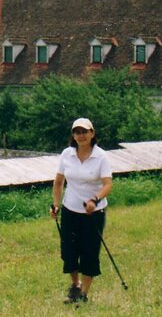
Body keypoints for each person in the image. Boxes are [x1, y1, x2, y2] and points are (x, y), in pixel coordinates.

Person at [51, 117, 113, 304]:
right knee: (69, 251)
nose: (81, 135)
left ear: (92, 133)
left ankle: (83, 294)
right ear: (73, 135)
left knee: (89, 252)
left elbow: (108, 184)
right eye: (77, 132)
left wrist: (95, 199)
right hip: (70, 210)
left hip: (93, 212)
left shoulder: (101, 156)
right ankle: (75, 285)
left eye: (85, 131)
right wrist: (56, 204)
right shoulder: (66, 154)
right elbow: (59, 182)